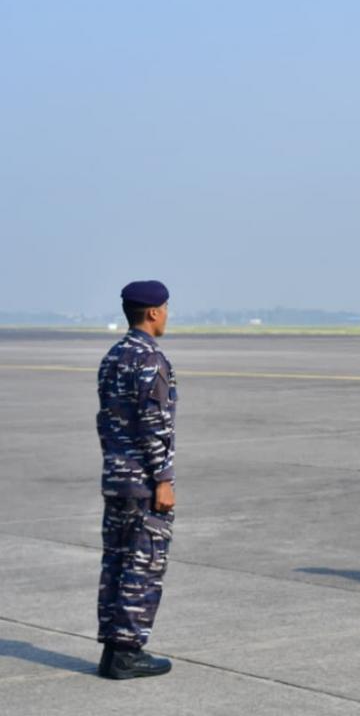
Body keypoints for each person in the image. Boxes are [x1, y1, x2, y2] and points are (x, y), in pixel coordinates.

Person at [95, 281, 177, 678]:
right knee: (143, 563)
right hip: (143, 481)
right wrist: (163, 478)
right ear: (154, 312)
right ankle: (127, 652)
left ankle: (113, 650)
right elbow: (153, 424)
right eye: (166, 309)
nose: (167, 316)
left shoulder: (113, 357)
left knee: (116, 561)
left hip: (116, 478)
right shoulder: (149, 359)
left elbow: (105, 421)